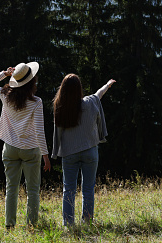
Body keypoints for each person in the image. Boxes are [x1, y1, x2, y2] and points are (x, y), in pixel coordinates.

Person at [0, 62, 51, 229]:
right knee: (33, 190)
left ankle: (10, 225)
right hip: (30, 150)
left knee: (11, 189)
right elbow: (39, 132)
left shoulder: (5, 95)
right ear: (32, 82)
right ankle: (31, 226)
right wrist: (46, 156)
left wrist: (5, 74)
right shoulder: (36, 102)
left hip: (10, 148)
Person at [51, 74, 115, 226]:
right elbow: (99, 94)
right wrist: (107, 84)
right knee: (88, 189)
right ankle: (87, 223)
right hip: (90, 152)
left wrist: (55, 152)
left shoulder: (60, 107)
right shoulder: (90, 102)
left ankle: (68, 225)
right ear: (79, 88)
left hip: (69, 153)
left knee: (69, 190)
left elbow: (57, 132)